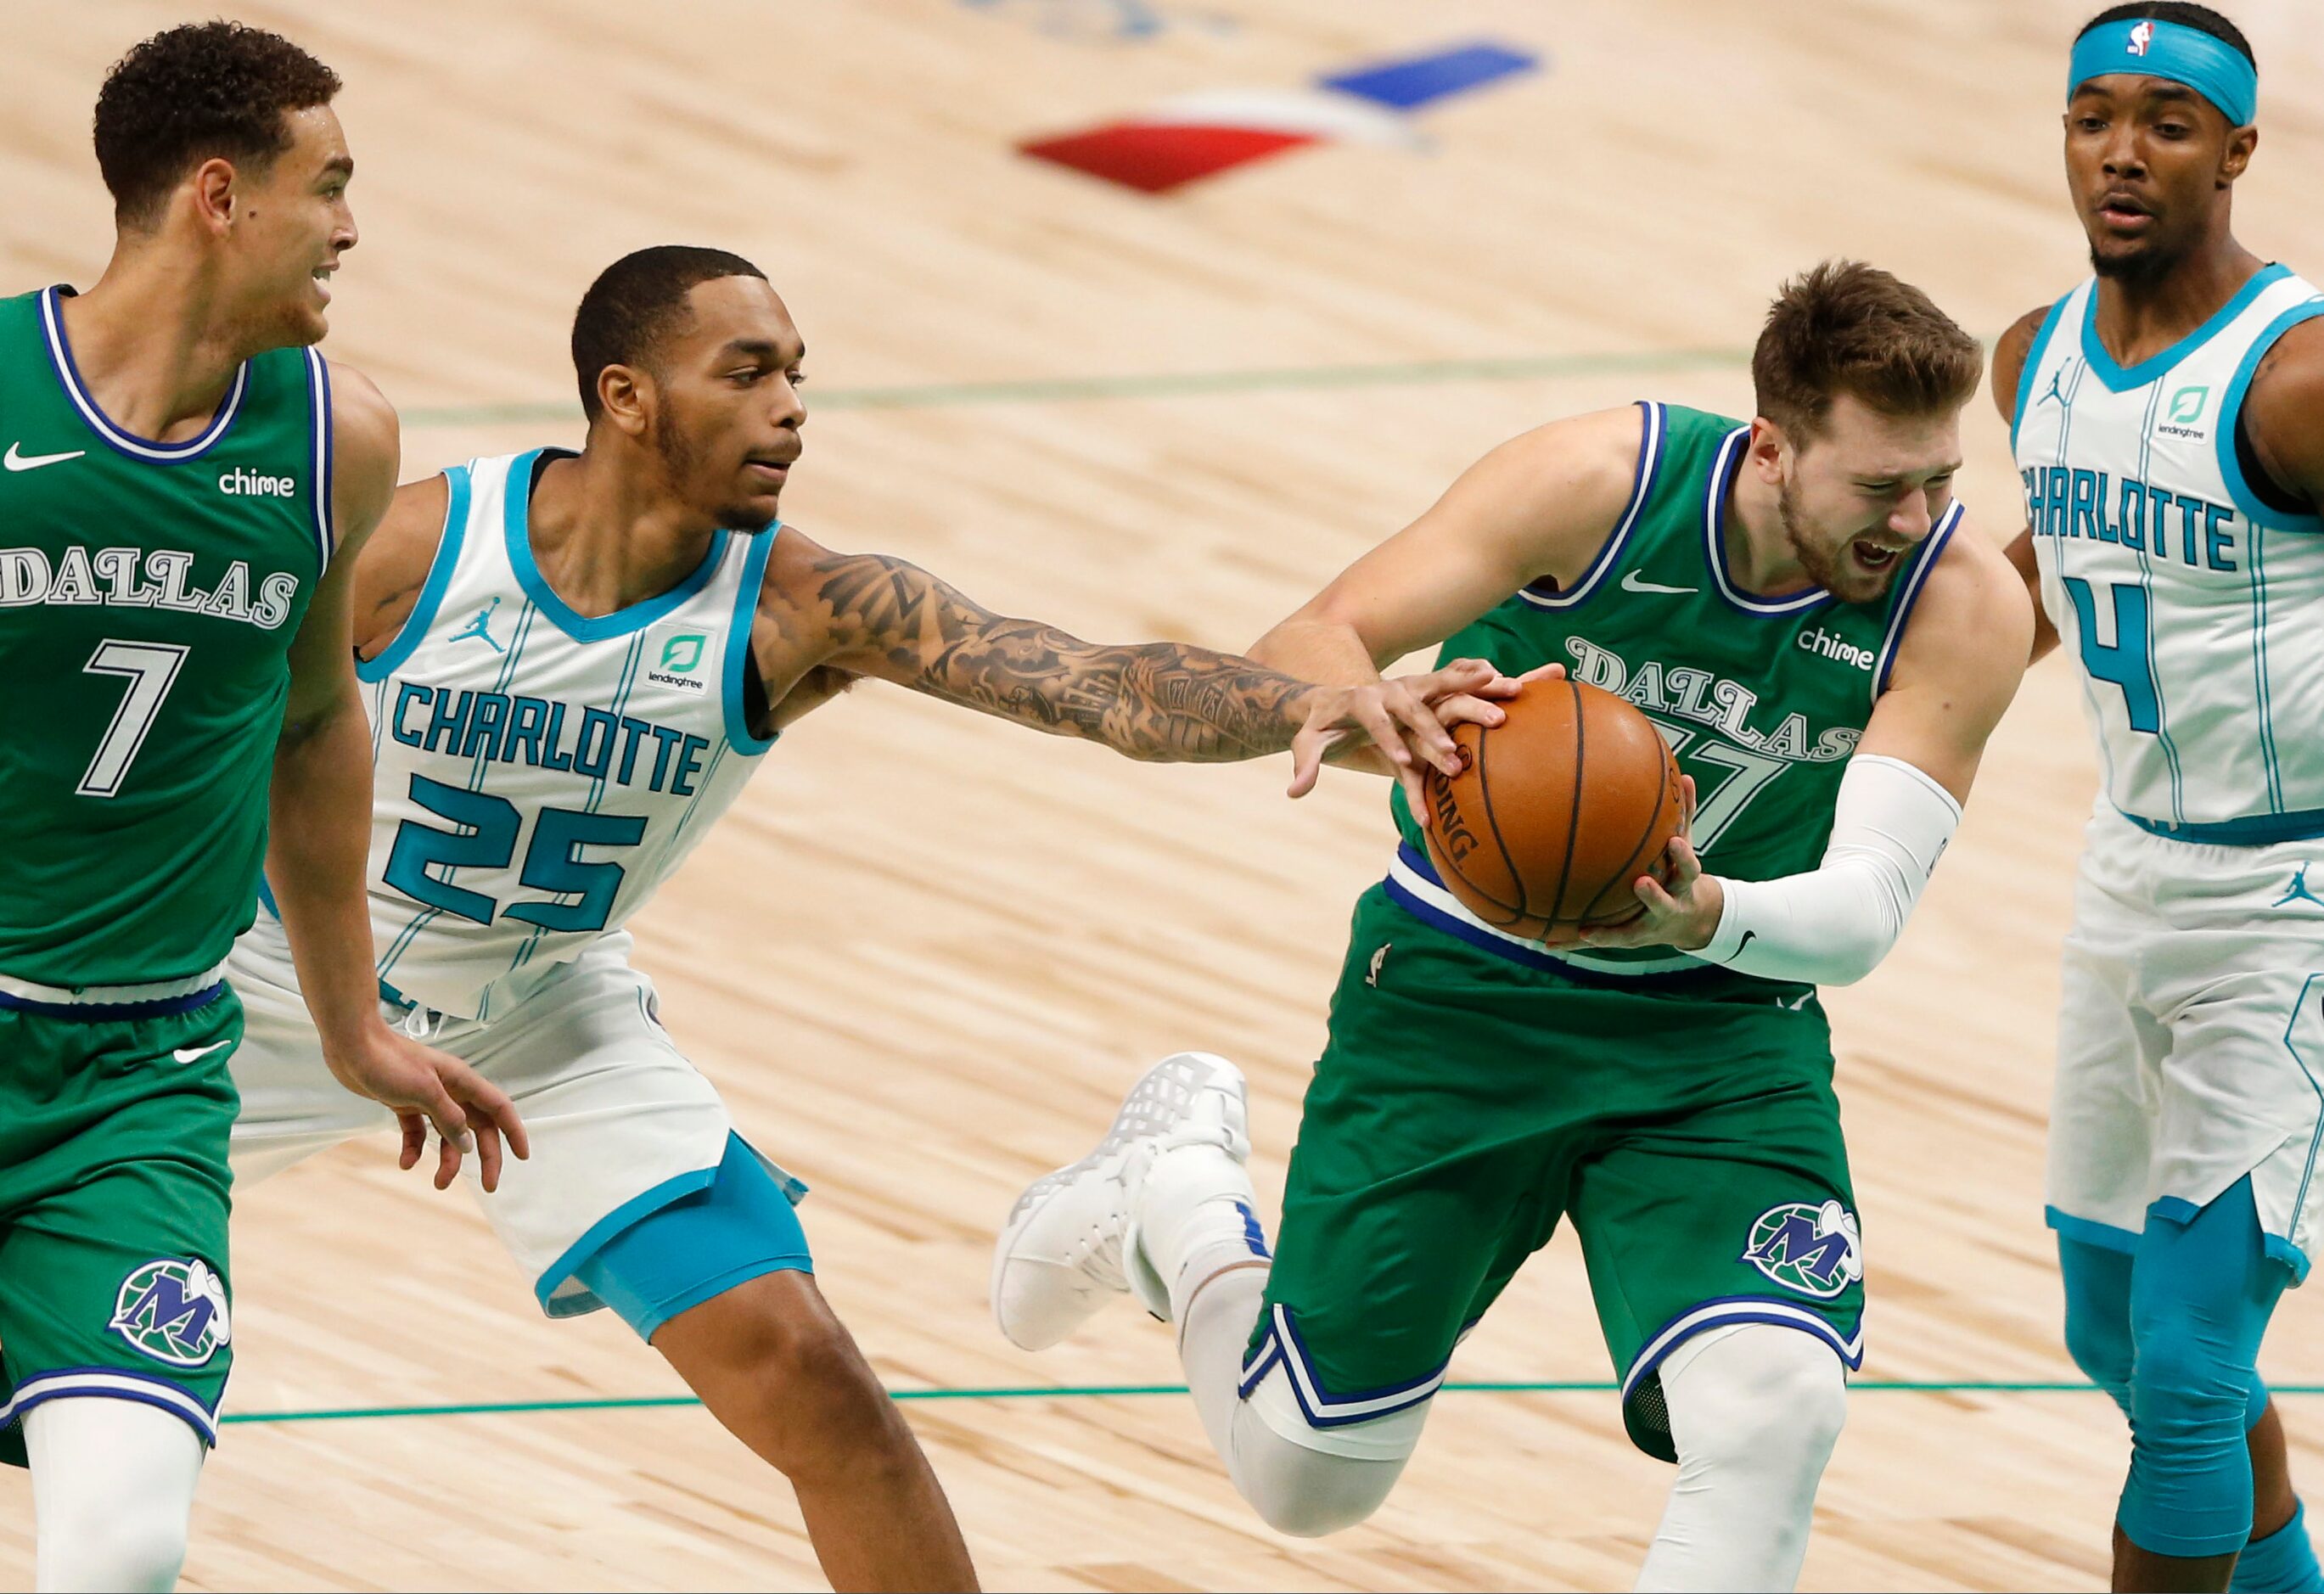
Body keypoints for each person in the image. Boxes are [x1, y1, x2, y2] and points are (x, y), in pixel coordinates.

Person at [226, 242, 1494, 1592]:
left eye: (798, 376)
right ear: (626, 395)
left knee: (814, 1377)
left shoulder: (805, 607)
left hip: (542, 1013)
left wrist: (1295, 703)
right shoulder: (416, 544)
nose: (791, 409)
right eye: (747, 372)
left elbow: (1088, 683)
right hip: (269, 968)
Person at [995, 260, 2032, 1592]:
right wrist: (1375, 710)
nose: (1919, 514)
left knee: (1774, 1407)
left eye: (1940, 477)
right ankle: (1176, 1200)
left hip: (1717, 1029)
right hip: (1460, 986)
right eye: (1881, 485)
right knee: (1306, 1479)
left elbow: (1862, 908)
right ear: (1770, 445)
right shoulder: (1596, 485)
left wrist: (1704, 912)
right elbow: (1311, 636)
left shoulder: (1960, 604)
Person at [0, 24, 525, 1592]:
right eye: (332, 186)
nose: (353, 229)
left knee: (125, 1542)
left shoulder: (333, 438)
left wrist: (353, 1022)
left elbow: (312, 722)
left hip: (136, 1079)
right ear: (219, 197)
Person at [1993, 5, 2324, 1589]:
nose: (2121, 151)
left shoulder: (2300, 378)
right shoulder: (2030, 360)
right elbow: (2044, 577)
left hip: (2293, 903)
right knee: (2111, 1330)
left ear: (2237, 151)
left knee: (2191, 1376)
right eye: (2090, 117)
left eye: (2168, 123)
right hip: (2127, 879)